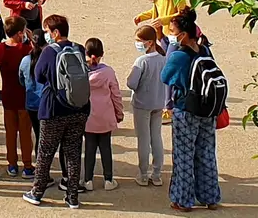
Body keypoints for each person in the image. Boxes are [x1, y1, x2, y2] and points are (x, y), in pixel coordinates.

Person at [25, 13, 89, 210]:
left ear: (55, 32)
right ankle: (72, 196)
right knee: (73, 151)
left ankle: (37, 192)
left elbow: (39, 76)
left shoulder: (49, 52)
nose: (46, 35)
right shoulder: (79, 48)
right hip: (79, 107)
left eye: (47, 31)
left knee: (45, 152)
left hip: (54, 108)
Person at [161, 8, 221, 212]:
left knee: (184, 155)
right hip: (208, 108)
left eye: (172, 31)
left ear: (183, 35)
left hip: (185, 108)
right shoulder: (204, 50)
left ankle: (183, 199)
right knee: (206, 153)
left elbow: (165, 77)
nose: (171, 35)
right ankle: (210, 197)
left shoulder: (179, 55)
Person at [127, 24, 168, 186]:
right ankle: (157, 174)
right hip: (158, 102)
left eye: (140, 41)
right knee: (156, 138)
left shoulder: (142, 61)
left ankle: (143, 174)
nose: (138, 44)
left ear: (149, 42)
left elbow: (131, 83)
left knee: (143, 139)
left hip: (142, 104)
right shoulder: (163, 59)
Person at [0, 15, 35, 178]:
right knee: (25, 132)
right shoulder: (26, 49)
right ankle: (27, 164)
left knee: (10, 132)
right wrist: (31, 40)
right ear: (20, 33)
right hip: (23, 96)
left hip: (7, 94)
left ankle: (12, 163)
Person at [83, 38, 123, 192]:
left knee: (89, 148)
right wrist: (118, 113)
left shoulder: (82, 73)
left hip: (88, 117)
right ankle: (108, 179)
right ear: (102, 54)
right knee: (106, 148)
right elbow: (116, 95)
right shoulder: (108, 72)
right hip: (105, 117)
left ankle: (88, 180)